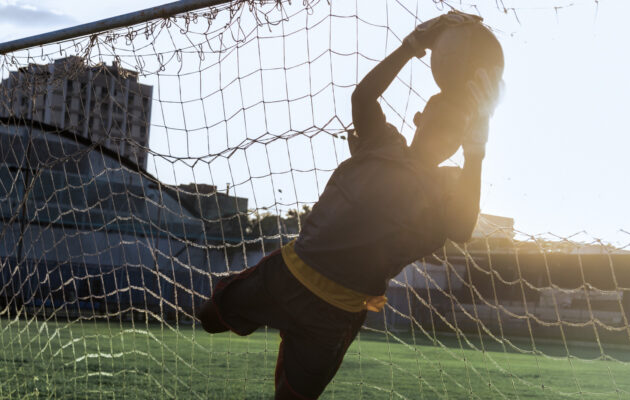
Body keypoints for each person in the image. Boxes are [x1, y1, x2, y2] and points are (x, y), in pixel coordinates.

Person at [196, 11, 504, 400]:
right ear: (419, 118)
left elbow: (462, 228)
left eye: (458, 133)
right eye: (441, 122)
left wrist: (478, 149)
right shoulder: (382, 142)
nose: (446, 135)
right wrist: (410, 47)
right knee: (209, 319)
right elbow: (363, 96)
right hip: (288, 273)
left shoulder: (449, 188)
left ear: (462, 142)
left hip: (336, 313)